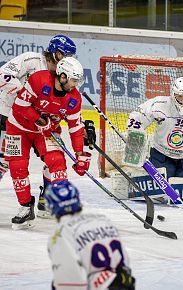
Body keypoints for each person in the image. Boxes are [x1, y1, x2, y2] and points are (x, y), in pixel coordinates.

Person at [5, 56, 91, 230]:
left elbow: (75, 127)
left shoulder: (74, 99)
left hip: (46, 132)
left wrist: (80, 154)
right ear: (63, 76)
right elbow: (20, 106)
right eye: (74, 80)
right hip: (18, 126)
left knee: (58, 161)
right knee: (17, 166)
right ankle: (25, 207)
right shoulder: (39, 80)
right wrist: (41, 121)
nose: (76, 85)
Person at [45, 180, 135, 290]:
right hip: (124, 283)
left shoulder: (61, 233)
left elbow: (70, 280)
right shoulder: (103, 220)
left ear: (51, 206)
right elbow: (125, 262)